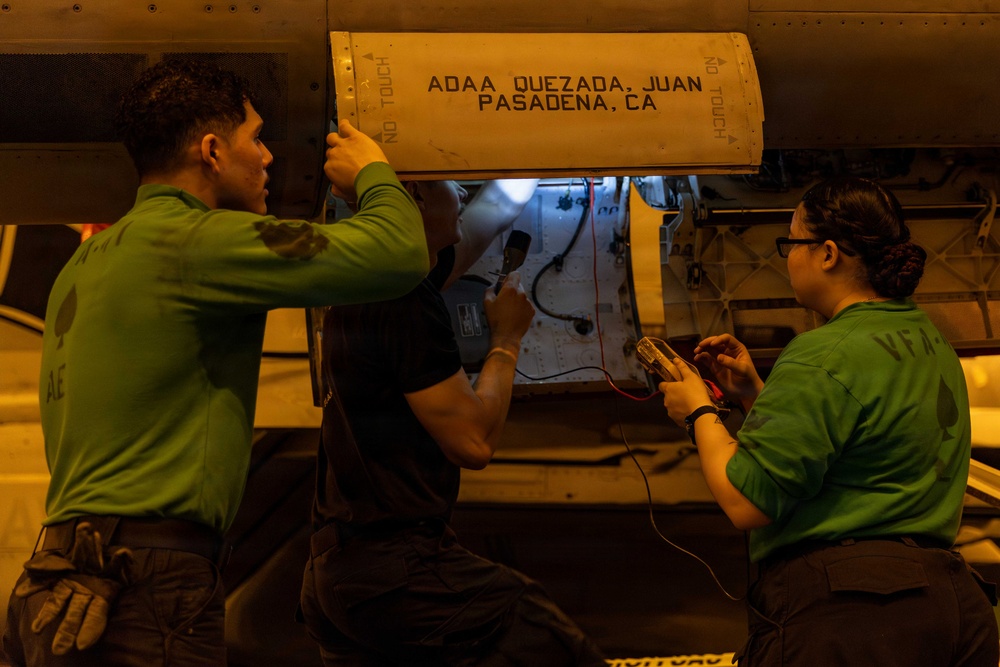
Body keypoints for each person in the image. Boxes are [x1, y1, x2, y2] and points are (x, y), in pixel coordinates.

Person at [2, 58, 428, 666]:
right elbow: (399, 253)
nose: (269, 158)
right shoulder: (198, 241)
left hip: (57, 580)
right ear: (211, 151)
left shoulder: (85, 263)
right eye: (256, 138)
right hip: (145, 584)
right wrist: (374, 173)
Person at [659, 175, 999, 666]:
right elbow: (857, 446)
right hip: (949, 607)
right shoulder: (927, 338)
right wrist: (757, 395)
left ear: (828, 253)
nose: (788, 257)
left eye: (791, 242)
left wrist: (697, 411)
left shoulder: (823, 353)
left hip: (853, 616)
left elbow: (745, 502)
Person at [298, 179, 609, 666]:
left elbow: (488, 214)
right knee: (536, 629)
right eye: (451, 182)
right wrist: (506, 340)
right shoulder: (403, 300)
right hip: (394, 571)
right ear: (416, 199)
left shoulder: (367, 284)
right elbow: (472, 441)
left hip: (335, 576)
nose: (464, 192)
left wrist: (524, 161)